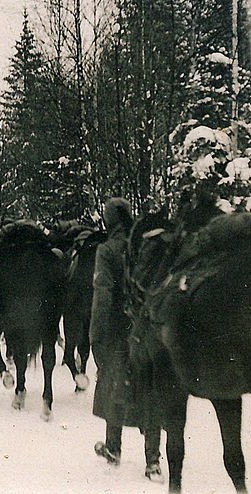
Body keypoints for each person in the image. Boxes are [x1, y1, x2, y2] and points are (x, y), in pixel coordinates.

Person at [91, 197, 161, 478]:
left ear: (109, 220)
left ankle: (113, 448)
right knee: (150, 389)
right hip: (148, 329)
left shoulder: (107, 250)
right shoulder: (146, 245)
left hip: (118, 330)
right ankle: (153, 460)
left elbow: (102, 295)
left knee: (114, 382)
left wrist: (96, 334)